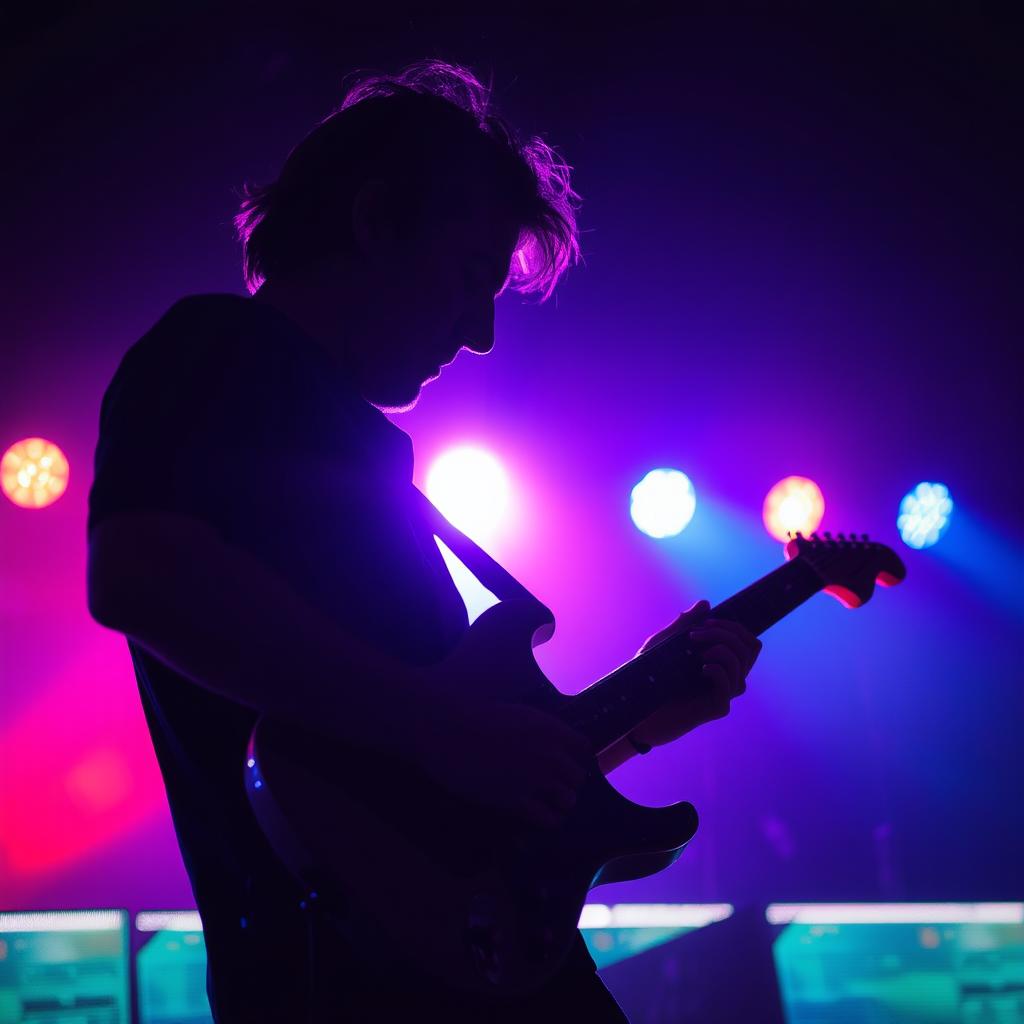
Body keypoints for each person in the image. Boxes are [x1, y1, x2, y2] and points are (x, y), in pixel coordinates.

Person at [86, 60, 761, 1023]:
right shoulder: (217, 351)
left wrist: (645, 714)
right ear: (375, 221)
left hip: (475, 967)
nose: (481, 334)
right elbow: (141, 576)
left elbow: (417, 791)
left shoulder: (360, 455)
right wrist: (444, 730)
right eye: (469, 282)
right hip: (344, 981)